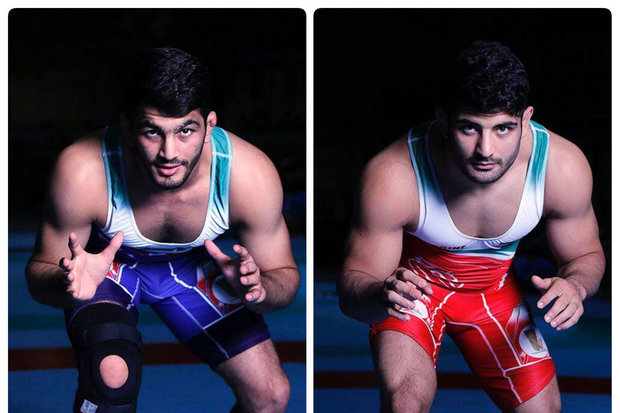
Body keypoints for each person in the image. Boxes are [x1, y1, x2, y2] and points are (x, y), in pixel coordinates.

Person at [25, 47, 300, 413]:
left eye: (185, 130)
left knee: (270, 396)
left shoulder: (249, 175)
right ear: (127, 126)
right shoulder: (83, 170)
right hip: (106, 267)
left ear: (210, 125)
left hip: (192, 269)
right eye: (152, 132)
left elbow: (284, 275)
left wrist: (260, 289)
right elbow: (40, 270)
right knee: (112, 374)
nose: (169, 152)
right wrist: (66, 282)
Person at [338, 41, 605, 413]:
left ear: (526, 119)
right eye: (469, 128)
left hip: (493, 294)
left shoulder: (561, 166)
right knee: (405, 404)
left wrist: (575, 284)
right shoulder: (394, 175)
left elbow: (586, 254)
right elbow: (352, 291)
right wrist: (378, 294)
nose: (486, 150)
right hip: (415, 290)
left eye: (504, 128)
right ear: (443, 120)